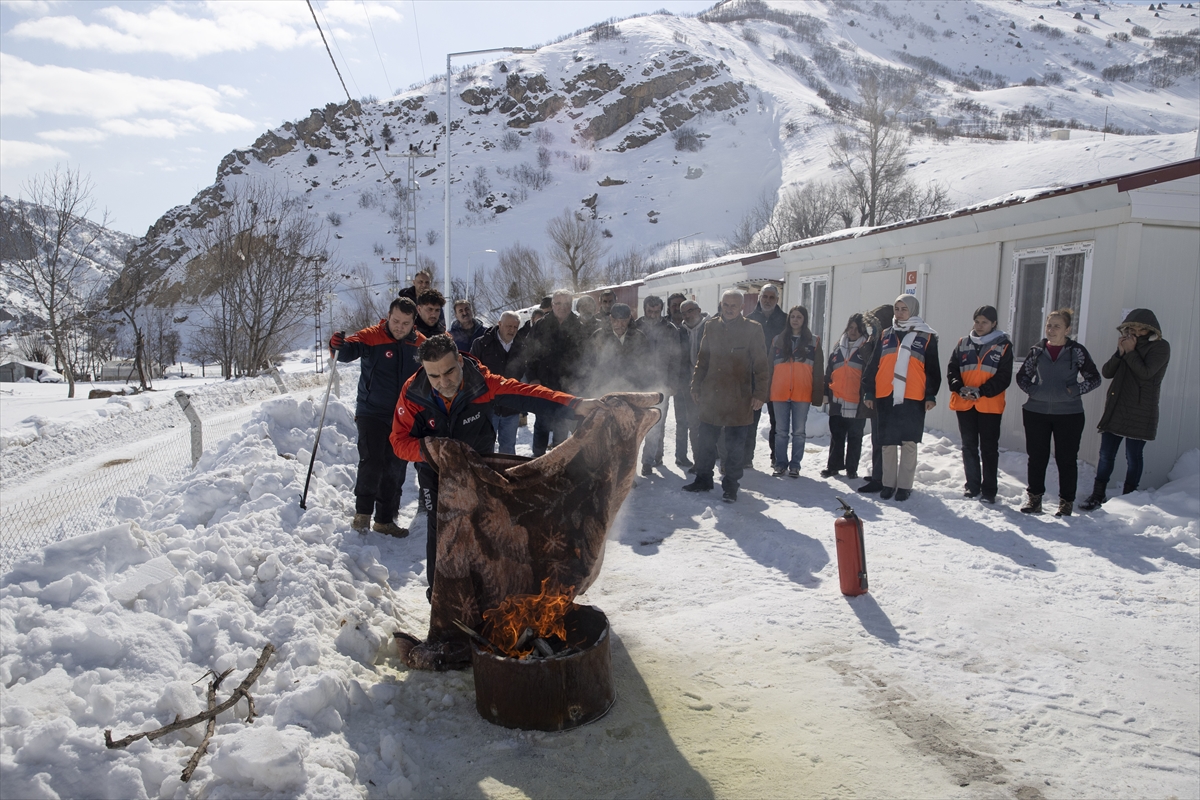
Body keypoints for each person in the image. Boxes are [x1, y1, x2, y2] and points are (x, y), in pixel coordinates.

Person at [390, 334, 600, 599]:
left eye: (449, 371)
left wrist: (575, 405)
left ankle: (486, 588)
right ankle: (440, 595)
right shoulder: (412, 394)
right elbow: (398, 441)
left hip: (479, 467)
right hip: (437, 473)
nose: (444, 382)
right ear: (424, 371)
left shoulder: (483, 384)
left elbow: (528, 396)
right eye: (434, 376)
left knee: (481, 525)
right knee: (440, 529)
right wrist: (430, 449)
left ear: (461, 362)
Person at [330, 297, 425, 536]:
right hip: (371, 411)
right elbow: (347, 351)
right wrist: (337, 346)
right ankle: (362, 514)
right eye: (395, 321)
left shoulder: (420, 345)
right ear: (388, 316)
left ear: (414, 323)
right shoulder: (371, 336)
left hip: (403, 416)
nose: (399, 327)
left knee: (395, 467)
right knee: (372, 461)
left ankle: (385, 520)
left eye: (405, 323)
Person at [683, 289, 770, 503]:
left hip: (739, 398)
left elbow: (761, 365)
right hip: (711, 396)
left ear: (742, 307)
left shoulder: (753, 329)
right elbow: (702, 359)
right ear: (721, 305)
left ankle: (731, 486)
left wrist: (760, 393)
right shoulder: (711, 327)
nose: (729, 309)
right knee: (705, 442)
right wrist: (695, 386)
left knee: (734, 447)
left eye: (734, 305)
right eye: (726, 305)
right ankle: (703, 479)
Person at [1079, 309, 1170, 510]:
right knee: (1106, 455)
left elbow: (1145, 373)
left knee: (1133, 456)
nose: (1136, 332)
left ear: (1150, 330)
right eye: (1132, 328)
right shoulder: (1127, 345)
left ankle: (1130, 499)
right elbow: (1107, 372)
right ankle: (1097, 494)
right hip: (1117, 406)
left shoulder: (1161, 347)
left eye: (1141, 329)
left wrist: (1130, 351)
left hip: (1140, 409)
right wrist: (1121, 353)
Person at [1014, 308, 1101, 516]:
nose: (1051, 330)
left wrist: (1073, 391)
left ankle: (1066, 502)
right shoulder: (1037, 351)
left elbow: (1094, 378)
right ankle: (1034, 499)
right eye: (1049, 325)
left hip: (1069, 414)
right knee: (1037, 458)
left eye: (1057, 326)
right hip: (1036, 412)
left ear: (1067, 329)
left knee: (1066, 459)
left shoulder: (1076, 351)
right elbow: (1022, 377)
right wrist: (1034, 390)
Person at [863, 294, 941, 502]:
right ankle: (888, 484)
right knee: (887, 442)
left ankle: (904, 486)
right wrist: (869, 391)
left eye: (904, 309)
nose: (899, 313)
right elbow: (873, 365)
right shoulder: (886, 334)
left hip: (913, 396)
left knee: (908, 442)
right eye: (897, 309)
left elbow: (933, 369)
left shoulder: (926, 336)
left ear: (913, 310)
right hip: (886, 395)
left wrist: (930, 395)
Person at [946, 305, 1013, 504]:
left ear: (994, 324)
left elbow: (1004, 377)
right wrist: (959, 387)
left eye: (985, 322)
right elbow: (952, 369)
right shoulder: (963, 342)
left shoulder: (1003, 345)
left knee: (989, 448)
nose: (980, 325)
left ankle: (989, 490)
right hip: (965, 403)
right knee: (969, 447)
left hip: (989, 405)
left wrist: (982, 391)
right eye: (977, 321)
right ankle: (972, 486)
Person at [524, 289, 585, 456]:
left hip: (567, 389)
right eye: (558, 303)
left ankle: (558, 464)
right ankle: (537, 461)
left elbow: (586, 358)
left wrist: (579, 382)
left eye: (566, 304)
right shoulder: (541, 325)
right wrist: (533, 378)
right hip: (544, 386)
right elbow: (529, 354)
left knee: (562, 427)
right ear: (552, 305)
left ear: (571, 305)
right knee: (541, 426)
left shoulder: (579, 326)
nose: (562, 307)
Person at [769, 305, 824, 478]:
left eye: (799, 317)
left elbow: (818, 370)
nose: (795, 320)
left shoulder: (813, 341)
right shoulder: (777, 340)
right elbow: (769, 367)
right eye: (792, 316)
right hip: (779, 392)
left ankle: (795, 465)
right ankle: (780, 464)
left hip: (802, 392)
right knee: (781, 431)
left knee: (799, 432)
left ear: (804, 319)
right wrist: (765, 391)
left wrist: (818, 393)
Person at [634, 295, 683, 476]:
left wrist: (673, 382)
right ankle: (632, 461)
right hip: (638, 384)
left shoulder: (670, 329)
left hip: (661, 383)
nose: (653, 315)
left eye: (656, 311)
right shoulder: (636, 326)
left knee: (656, 423)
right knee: (637, 424)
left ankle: (648, 461)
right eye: (650, 311)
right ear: (644, 309)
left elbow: (676, 359)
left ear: (662, 310)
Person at [822, 313, 872, 480]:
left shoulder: (866, 348)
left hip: (857, 402)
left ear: (863, 331)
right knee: (836, 435)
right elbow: (829, 371)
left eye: (857, 329)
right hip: (837, 399)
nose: (853, 331)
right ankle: (833, 467)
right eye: (850, 327)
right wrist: (825, 393)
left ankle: (852, 469)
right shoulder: (838, 347)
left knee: (855, 437)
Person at [470, 311, 527, 454]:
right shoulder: (482, 344)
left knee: (508, 448)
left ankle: (506, 475)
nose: (512, 330)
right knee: (485, 448)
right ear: (499, 324)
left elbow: (525, 373)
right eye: (508, 326)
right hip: (488, 407)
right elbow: (471, 372)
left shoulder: (522, 347)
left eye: (515, 327)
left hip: (511, 406)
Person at [746, 284, 788, 470]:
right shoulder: (749, 320)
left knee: (777, 421)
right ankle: (747, 457)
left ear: (777, 300)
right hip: (754, 377)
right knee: (750, 419)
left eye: (772, 297)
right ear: (759, 297)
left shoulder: (786, 321)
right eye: (765, 297)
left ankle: (776, 457)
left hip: (778, 377)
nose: (768, 300)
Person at [857, 304, 894, 493]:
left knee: (883, 438)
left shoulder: (887, 341)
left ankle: (881, 478)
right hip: (875, 393)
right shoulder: (877, 339)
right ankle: (878, 473)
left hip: (884, 394)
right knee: (877, 438)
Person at [586, 303, 649, 394]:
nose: (619, 325)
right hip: (604, 387)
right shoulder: (599, 336)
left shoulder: (639, 337)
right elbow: (589, 362)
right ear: (610, 318)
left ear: (629, 318)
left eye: (623, 321)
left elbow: (646, 364)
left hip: (632, 387)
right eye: (615, 320)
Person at [676, 300, 708, 468]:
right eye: (684, 313)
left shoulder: (710, 327)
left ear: (699, 310)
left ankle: (719, 461)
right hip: (689, 386)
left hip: (709, 386)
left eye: (690, 311)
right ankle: (699, 462)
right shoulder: (680, 331)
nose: (687, 315)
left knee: (713, 426)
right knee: (694, 425)